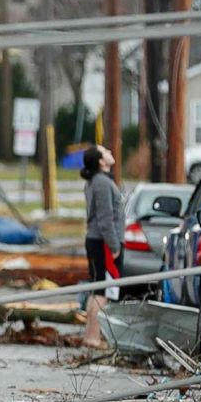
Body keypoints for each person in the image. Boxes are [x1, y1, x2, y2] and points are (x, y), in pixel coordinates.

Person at [80, 146, 125, 348]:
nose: (109, 151)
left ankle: (90, 335)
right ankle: (94, 337)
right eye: (105, 151)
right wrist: (114, 245)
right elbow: (106, 219)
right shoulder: (102, 183)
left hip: (95, 239)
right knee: (102, 291)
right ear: (101, 161)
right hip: (103, 241)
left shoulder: (96, 182)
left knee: (96, 288)